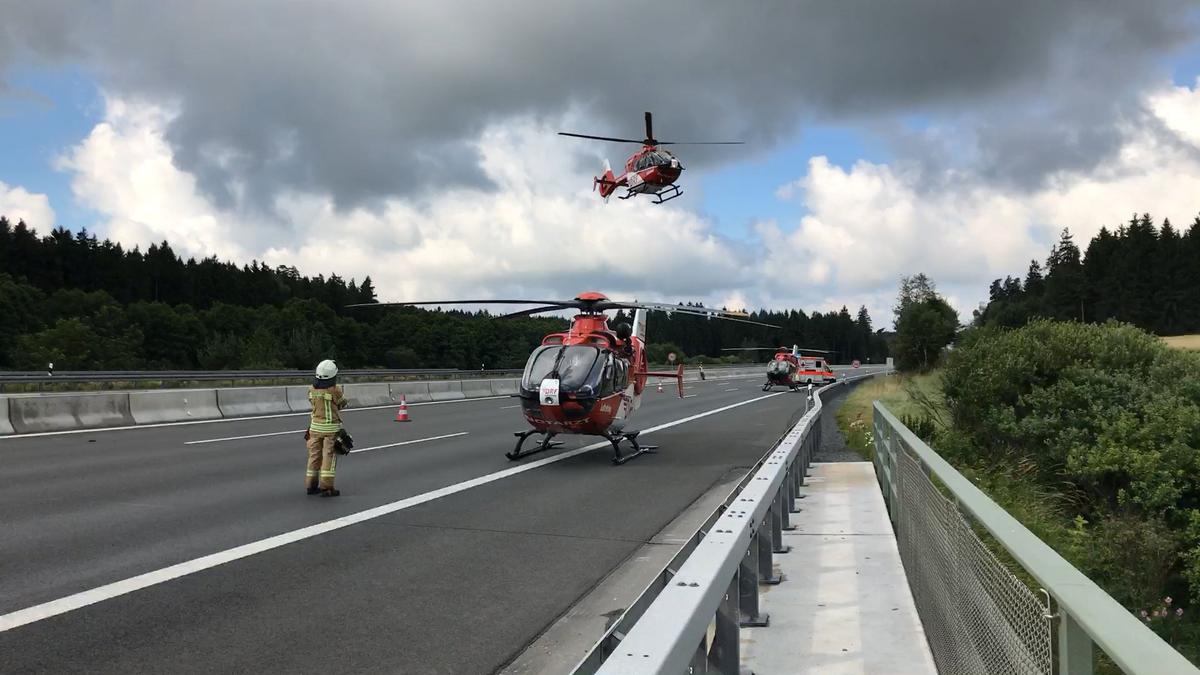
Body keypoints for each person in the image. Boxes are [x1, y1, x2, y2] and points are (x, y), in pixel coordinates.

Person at [306, 359, 348, 497]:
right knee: (328, 457)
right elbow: (342, 403)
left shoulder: (312, 389)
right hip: (331, 429)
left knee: (314, 456)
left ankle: (311, 485)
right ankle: (327, 487)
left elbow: (312, 402)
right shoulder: (334, 389)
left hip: (314, 428)